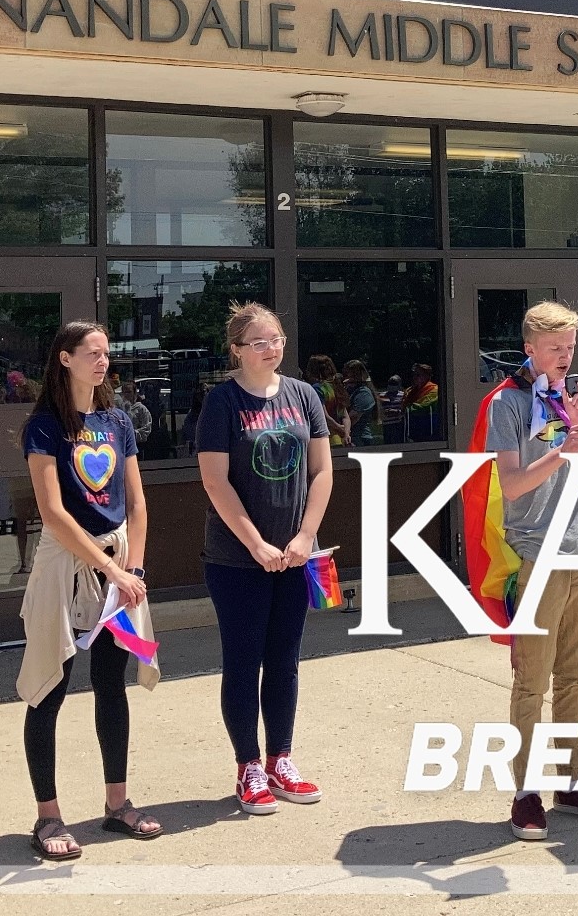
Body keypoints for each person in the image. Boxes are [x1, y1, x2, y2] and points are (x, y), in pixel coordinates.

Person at [473, 300, 578, 840]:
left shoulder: (572, 398)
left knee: (574, 676)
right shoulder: (509, 404)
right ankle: (525, 791)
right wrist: (565, 446)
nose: (565, 357)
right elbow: (511, 484)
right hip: (536, 550)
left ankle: (572, 780)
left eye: (571, 346)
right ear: (530, 349)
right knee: (531, 681)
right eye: (555, 348)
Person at [16, 321, 161, 861]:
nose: (102, 362)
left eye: (105, 353)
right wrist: (108, 567)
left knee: (111, 682)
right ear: (64, 359)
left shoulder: (118, 421)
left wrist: (134, 570)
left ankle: (117, 804)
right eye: (91, 353)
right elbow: (52, 511)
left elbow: (138, 501)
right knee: (49, 687)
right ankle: (48, 816)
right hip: (67, 565)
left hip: (120, 565)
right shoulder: (46, 425)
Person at [197, 303, 335, 814]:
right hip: (236, 560)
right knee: (243, 661)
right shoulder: (222, 402)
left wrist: (305, 537)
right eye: (259, 342)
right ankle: (248, 767)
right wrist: (256, 543)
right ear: (236, 349)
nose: (271, 349)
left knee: (285, 660)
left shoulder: (303, 395)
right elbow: (215, 481)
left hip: (297, 556)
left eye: (276, 339)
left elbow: (321, 471)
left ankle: (281, 759)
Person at [303, 354, 349, 446]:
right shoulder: (337, 386)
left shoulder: (317, 389)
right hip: (343, 439)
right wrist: (346, 433)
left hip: (327, 439)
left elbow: (324, 416)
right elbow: (345, 416)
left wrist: (338, 428)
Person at [342, 359, 383, 447]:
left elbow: (353, 417)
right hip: (351, 437)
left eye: (350, 373)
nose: (346, 377)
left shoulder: (364, 393)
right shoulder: (350, 390)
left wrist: (338, 428)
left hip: (360, 439)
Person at [405, 363, 441, 442]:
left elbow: (422, 406)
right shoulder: (410, 391)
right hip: (412, 430)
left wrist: (405, 409)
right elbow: (403, 404)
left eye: (418, 375)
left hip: (428, 430)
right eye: (414, 375)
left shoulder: (434, 390)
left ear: (427, 376)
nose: (414, 377)